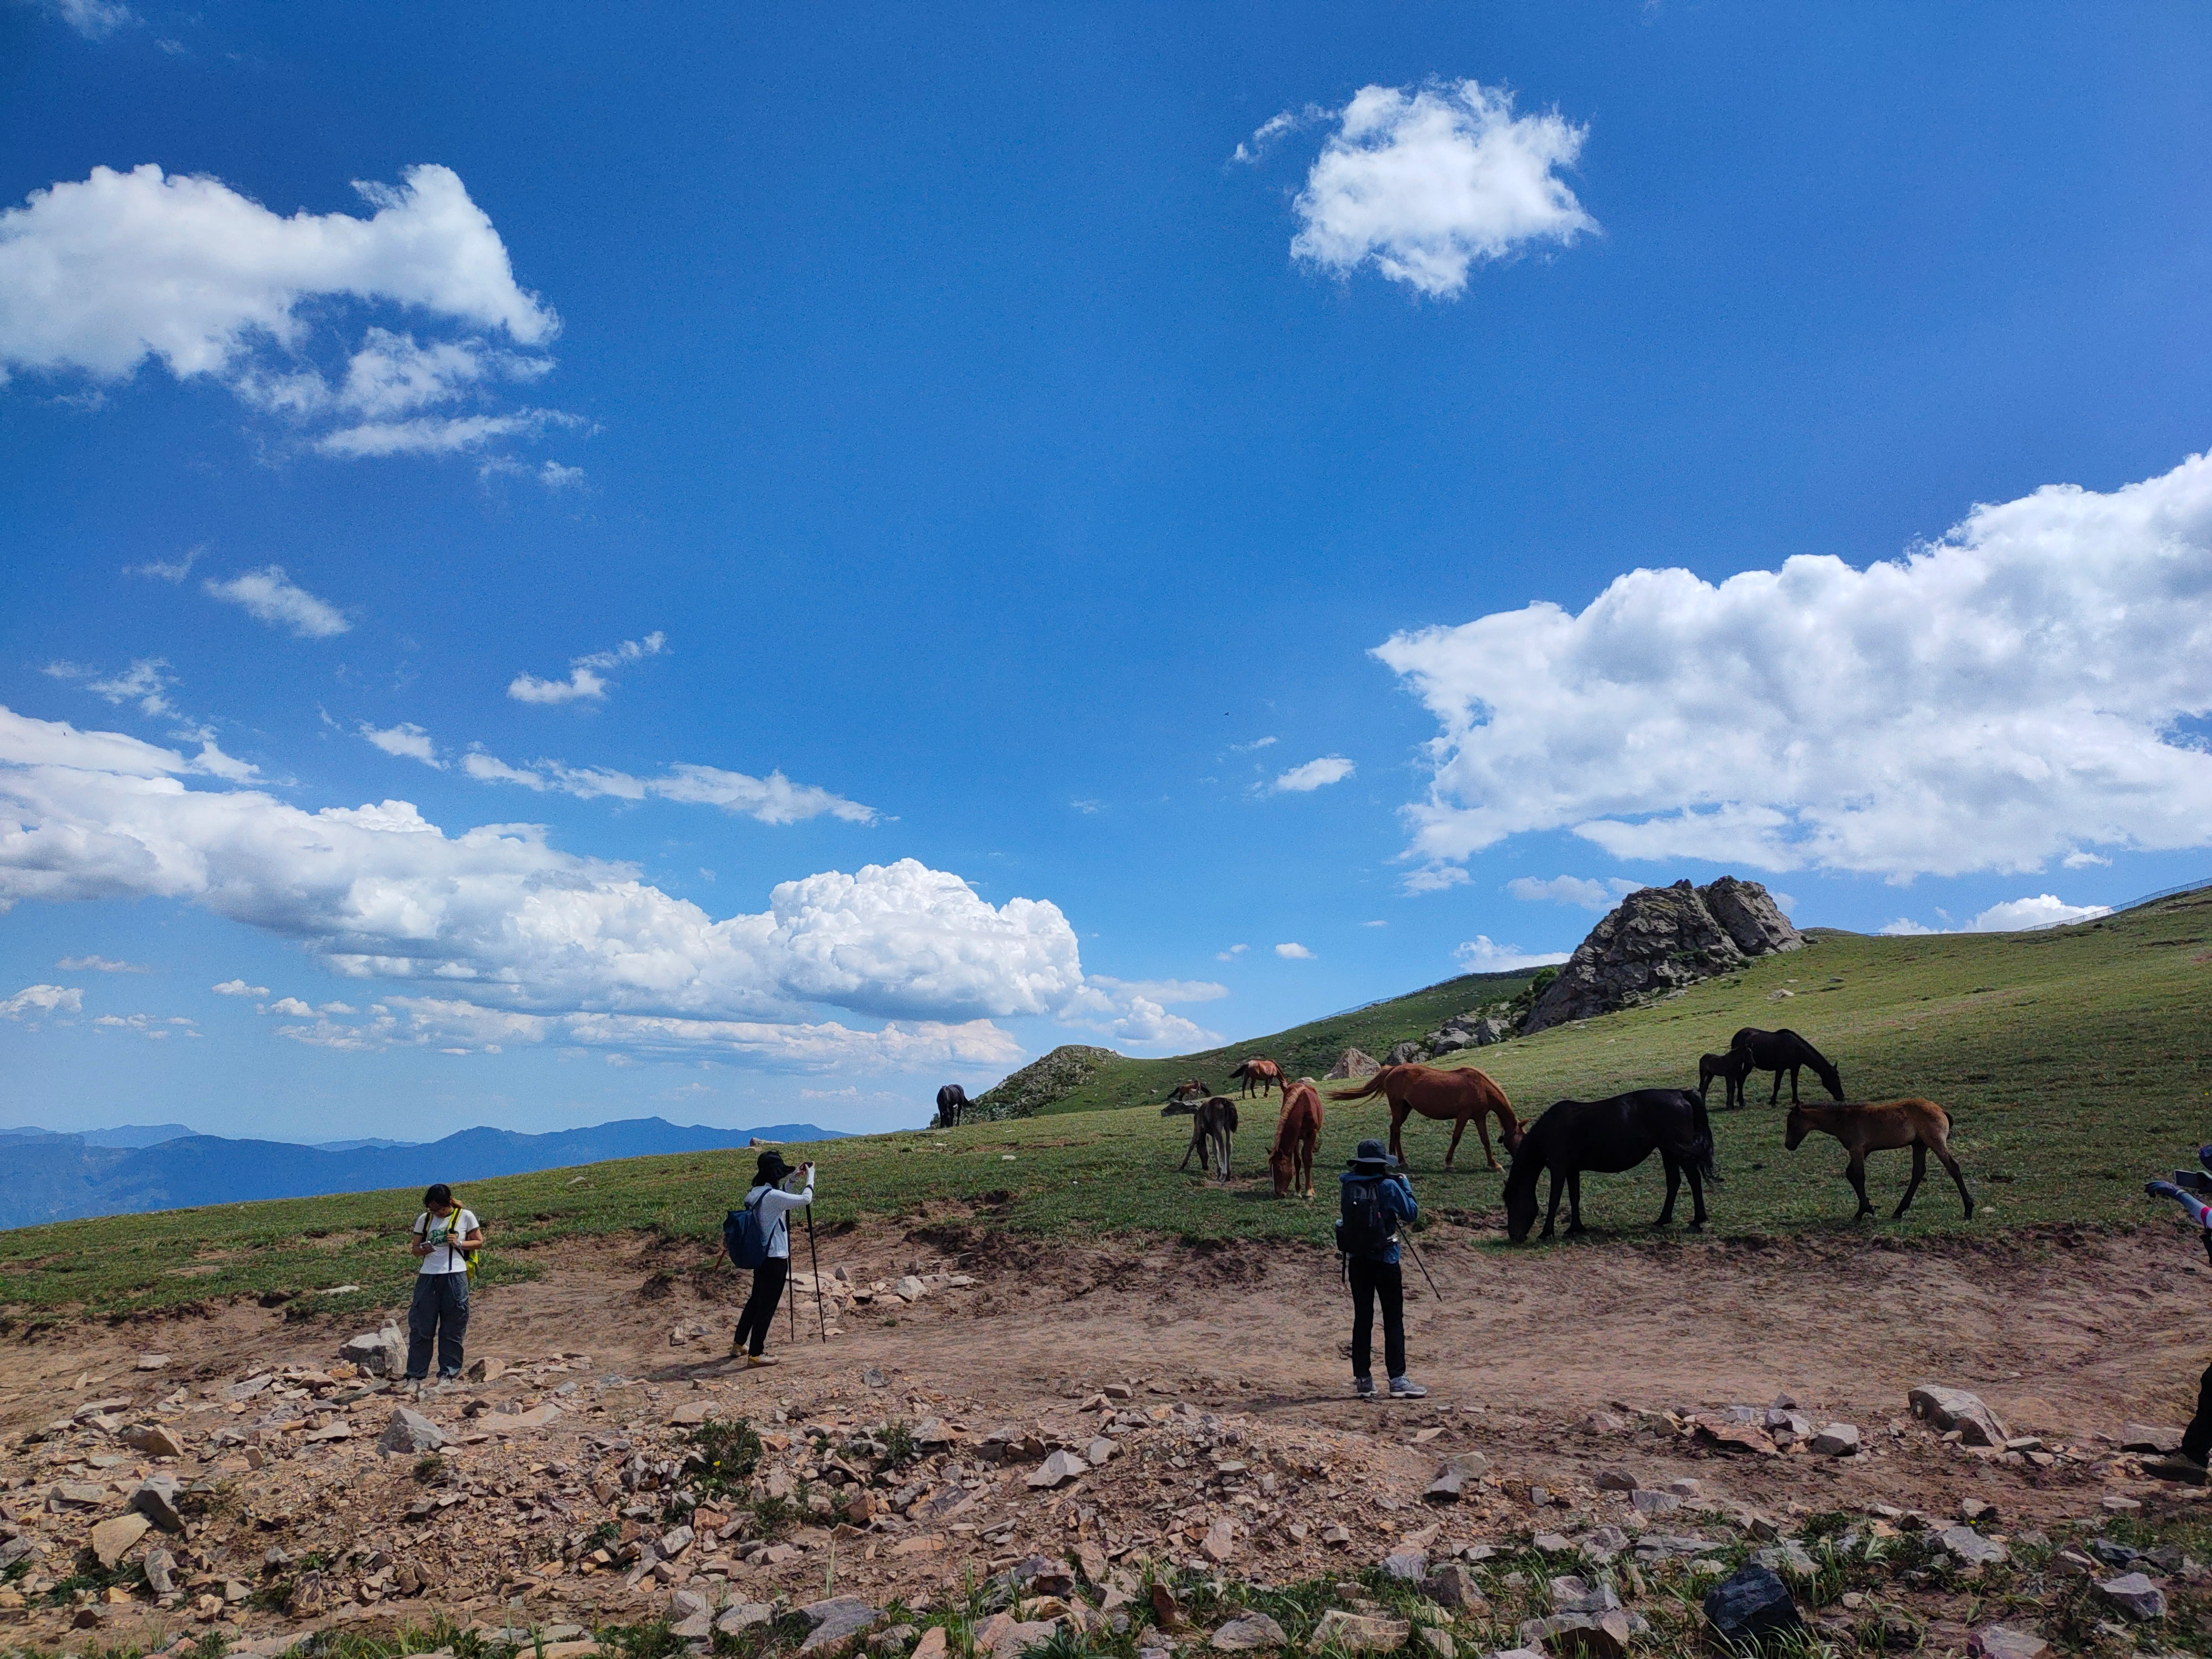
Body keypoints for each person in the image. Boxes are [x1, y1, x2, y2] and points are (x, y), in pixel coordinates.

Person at [1337, 1138, 1426, 1400]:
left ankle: (1364, 1380)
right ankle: (1397, 1380)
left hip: (1357, 1260)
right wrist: (1406, 1186)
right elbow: (1411, 1214)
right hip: (1386, 1259)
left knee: (1362, 1318)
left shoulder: (1348, 1185)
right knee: (1393, 1319)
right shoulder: (1389, 1186)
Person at [731, 1151, 815, 1366]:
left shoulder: (755, 1193)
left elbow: (779, 1201)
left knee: (755, 1301)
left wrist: (794, 1178)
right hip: (777, 1257)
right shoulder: (773, 1197)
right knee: (767, 1306)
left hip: (761, 1256)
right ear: (774, 1174)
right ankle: (757, 1354)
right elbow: (806, 1199)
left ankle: (739, 1344)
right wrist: (811, 1177)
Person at [405, 1183, 482, 1384]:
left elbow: (479, 1242)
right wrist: (422, 1249)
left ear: (449, 1203)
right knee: (422, 1325)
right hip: (428, 1275)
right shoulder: (425, 1220)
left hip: (455, 1274)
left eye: (440, 1209)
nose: (437, 1213)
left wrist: (460, 1243)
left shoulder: (465, 1216)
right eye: (432, 1210)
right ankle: (415, 1374)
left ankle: (449, 1372)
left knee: (453, 1325)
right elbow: (414, 1248)